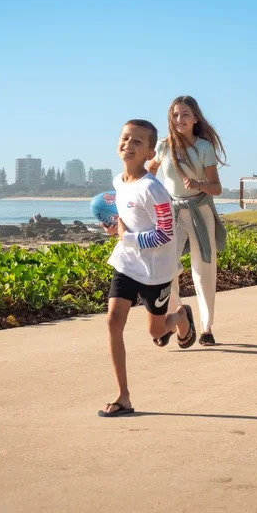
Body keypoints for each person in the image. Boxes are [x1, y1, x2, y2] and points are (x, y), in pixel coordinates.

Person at [98, 119, 196, 417]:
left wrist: (128, 236)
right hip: (126, 263)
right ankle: (123, 396)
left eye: (137, 141)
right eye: (125, 138)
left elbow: (166, 233)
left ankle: (180, 316)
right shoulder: (118, 182)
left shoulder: (154, 191)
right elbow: (129, 217)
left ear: (149, 151)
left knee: (156, 332)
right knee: (113, 321)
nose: (128, 144)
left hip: (156, 270)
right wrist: (116, 228)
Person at [146, 96, 227, 347]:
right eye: (175, 115)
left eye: (184, 115)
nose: (179, 120)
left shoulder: (203, 148)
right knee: (164, 267)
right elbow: (149, 174)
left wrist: (200, 184)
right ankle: (179, 314)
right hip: (171, 212)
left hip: (200, 211)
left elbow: (217, 188)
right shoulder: (163, 146)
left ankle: (207, 328)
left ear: (195, 118)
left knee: (203, 271)